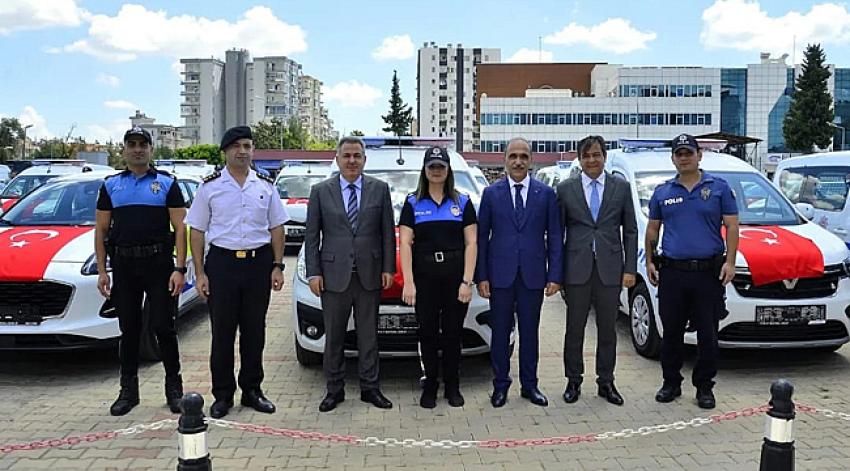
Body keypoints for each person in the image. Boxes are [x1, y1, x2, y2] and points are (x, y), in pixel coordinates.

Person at [185, 126, 289, 419]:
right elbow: (197, 230)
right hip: (222, 265)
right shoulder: (210, 186)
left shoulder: (265, 185)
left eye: (247, 146)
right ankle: (222, 395)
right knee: (223, 333)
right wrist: (201, 272)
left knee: (255, 332)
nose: (242, 151)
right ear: (226, 151)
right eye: (236, 146)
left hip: (258, 265)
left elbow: (277, 227)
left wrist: (278, 265)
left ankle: (253, 390)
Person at [95, 126, 187, 416]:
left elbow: (181, 229)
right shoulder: (111, 186)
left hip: (158, 264)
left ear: (151, 149)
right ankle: (128, 391)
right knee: (129, 329)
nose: (137, 149)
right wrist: (102, 270)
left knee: (164, 327)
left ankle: (175, 389)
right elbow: (100, 230)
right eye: (132, 144)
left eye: (142, 144)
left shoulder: (167, 183)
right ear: (124, 149)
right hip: (124, 266)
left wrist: (180, 268)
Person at [645, 133, 739, 410]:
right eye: (679, 153)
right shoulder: (663, 192)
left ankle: (705, 387)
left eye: (689, 152)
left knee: (708, 334)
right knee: (671, 332)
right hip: (673, 274)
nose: (684, 157)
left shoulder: (719, 188)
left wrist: (730, 262)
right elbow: (653, 229)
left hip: (707, 274)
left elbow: (732, 227)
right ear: (673, 158)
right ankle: (671, 382)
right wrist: (650, 261)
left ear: (700, 155)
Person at [304, 136, 396, 412]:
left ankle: (370, 388)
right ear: (337, 159)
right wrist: (313, 273)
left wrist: (388, 268)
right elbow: (311, 236)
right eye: (347, 156)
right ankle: (334, 390)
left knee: (369, 335)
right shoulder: (320, 191)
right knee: (334, 337)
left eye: (357, 155)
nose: (352, 160)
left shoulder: (379, 190)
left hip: (369, 275)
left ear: (365, 159)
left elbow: (386, 234)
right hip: (333, 277)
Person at [476, 137, 563, 408]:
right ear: (505, 160)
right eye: (513, 156)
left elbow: (555, 237)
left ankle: (530, 385)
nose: (518, 161)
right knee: (500, 333)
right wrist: (482, 276)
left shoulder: (545, 194)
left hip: (533, 276)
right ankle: (500, 385)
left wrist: (555, 276)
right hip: (499, 276)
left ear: (531, 160)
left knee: (530, 333)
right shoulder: (491, 194)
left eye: (523, 156)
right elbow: (481, 238)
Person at [556, 135, 637, 406]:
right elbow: (557, 234)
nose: (592, 160)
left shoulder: (621, 187)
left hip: (610, 270)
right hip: (576, 269)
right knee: (574, 328)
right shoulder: (566, 189)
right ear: (580, 159)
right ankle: (573, 381)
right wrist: (556, 273)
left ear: (604, 157)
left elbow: (631, 230)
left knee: (607, 329)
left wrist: (629, 269)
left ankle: (606, 381)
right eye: (587, 156)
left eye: (597, 155)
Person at [399, 146, 477, 409]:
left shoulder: (462, 202)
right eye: (431, 166)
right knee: (428, 334)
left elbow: (472, 243)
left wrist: (467, 281)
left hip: (455, 280)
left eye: (440, 166)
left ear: (447, 170)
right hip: (425, 281)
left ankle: (453, 386)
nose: (436, 171)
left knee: (453, 335)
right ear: (424, 170)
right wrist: (409, 282)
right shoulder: (412, 203)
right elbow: (406, 244)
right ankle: (430, 384)